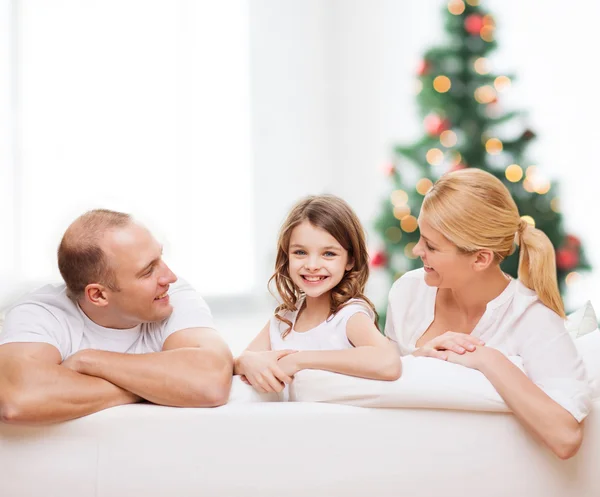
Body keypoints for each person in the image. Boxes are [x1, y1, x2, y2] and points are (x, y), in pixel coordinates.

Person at [384, 168, 591, 459]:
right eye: (421, 237)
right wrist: (420, 359)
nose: (418, 250)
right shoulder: (408, 292)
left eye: (431, 246)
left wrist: (488, 359)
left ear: (481, 258)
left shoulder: (532, 318)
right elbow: (385, 382)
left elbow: (566, 437)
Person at [0, 209, 233, 424]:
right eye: (148, 270)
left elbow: (210, 381)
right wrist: (161, 388)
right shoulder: (41, 312)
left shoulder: (171, 295)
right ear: (99, 295)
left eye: (160, 258)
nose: (169, 276)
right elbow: (17, 400)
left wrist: (89, 360)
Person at [235, 194, 401, 394]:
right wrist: (245, 361)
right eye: (300, 252)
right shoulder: (283, 320)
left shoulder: (348, 316)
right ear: (286, 257)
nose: (312, 265)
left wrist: (299, 360)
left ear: (350, 260)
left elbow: (389, 362)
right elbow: (238, 365)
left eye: (328, 254)